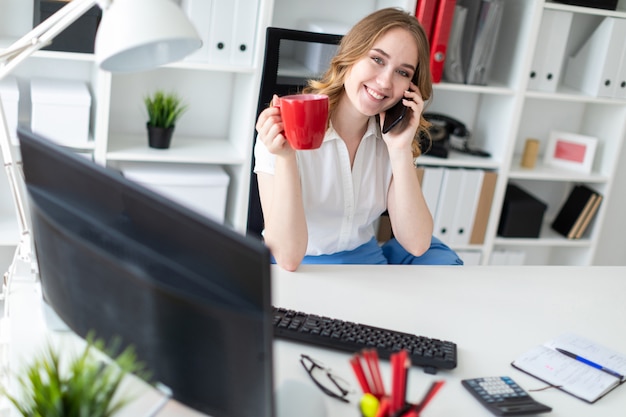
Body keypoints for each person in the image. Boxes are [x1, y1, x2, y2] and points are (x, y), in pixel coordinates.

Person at [254, 7, 463, 271]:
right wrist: (285, 157)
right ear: (350, 56)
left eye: (403, 72)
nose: (386, 82)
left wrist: (400, 150)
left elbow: (417, 243)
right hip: (302, 266)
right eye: (377, 59)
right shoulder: (285, 129)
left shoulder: (392, 138)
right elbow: (288, 258)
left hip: (365, 263)